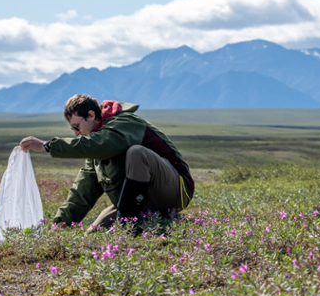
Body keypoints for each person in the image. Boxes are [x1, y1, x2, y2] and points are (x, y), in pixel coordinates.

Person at [19, 94, 193, 229]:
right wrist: (63, 220)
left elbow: (101, 143)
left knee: (136, 153)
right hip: (139, 201)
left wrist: (49, 146)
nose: (76, 133)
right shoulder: (96, 148)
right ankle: (160, 221)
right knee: (95, 233)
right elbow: (84, 187)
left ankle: (129, 227)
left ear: (91, 114)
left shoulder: (123, 122)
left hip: (176, 189)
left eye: (76, 127)